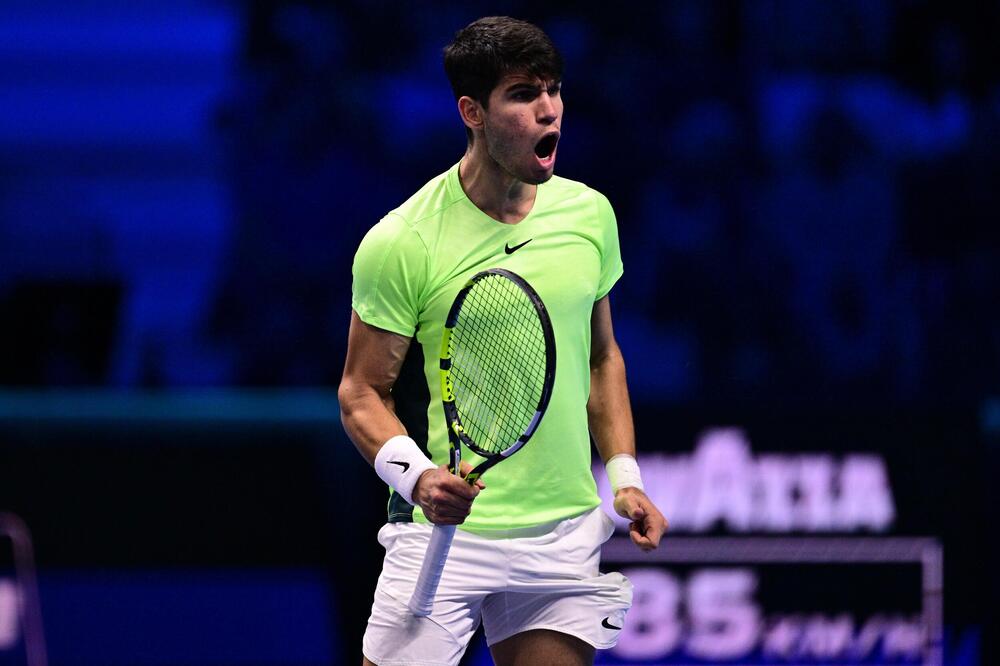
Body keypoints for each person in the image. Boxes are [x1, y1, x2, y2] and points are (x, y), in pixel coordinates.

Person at [338, 16, 668, 666]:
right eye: (523, 94)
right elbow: (361, 393)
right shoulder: (404, 240)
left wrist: (624, 477)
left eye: (554, 89)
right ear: (473, 112)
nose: (549, 110)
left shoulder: (589, 215)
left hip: (560, 534)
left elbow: (601, 358)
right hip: (442, 536)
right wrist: (418, 479)